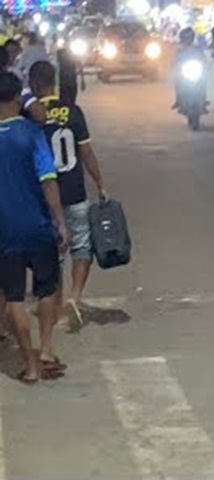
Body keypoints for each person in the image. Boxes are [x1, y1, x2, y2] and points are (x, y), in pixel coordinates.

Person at [0, 71, 69, 384]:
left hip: (5, 231)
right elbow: (48, 180)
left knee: (14, 297)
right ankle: (46, 349)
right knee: (47, 288)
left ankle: (29, 365)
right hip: (38, 226)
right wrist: (60, 221)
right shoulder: (32, 134)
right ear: (18, 98)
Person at [29, 61, 107, 331]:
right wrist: (100, 182)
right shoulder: (73, 111)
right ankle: (75, 296)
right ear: (54, 81)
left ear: (33, 85)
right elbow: (86, 152)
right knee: (82, 246)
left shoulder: (32, 115)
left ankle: (56, 300)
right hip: (75, 190)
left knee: (55, 251)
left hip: (46, 195)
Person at [171, 27, 207, 111]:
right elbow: (174, 61)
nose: (187, 39)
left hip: (196, 70)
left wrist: (205, 64)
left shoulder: (197, 49)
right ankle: (178, 100)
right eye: (186, 37)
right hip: (184, 72)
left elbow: (204, 59)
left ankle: (203, 101)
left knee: (204, 81)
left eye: (189, 37)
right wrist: (174, 65)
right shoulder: (180, 50)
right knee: (177, 80)